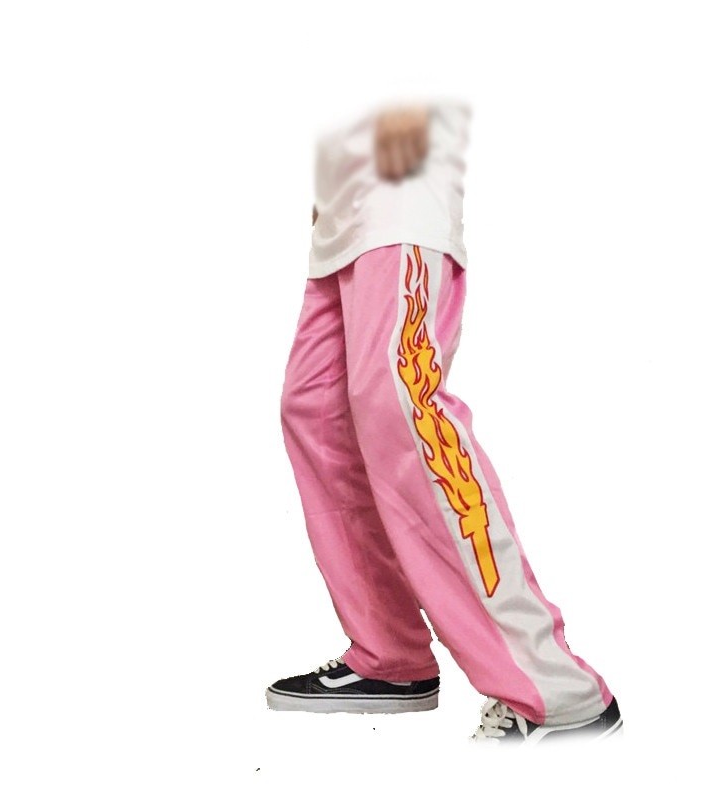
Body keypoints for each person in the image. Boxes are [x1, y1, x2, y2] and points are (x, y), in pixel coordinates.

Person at [265, 97, 622, 744]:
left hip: (401, 174)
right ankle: (389, 654)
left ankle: (556, 690)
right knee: (317, 412)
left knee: (402, 407)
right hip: (341, 201)